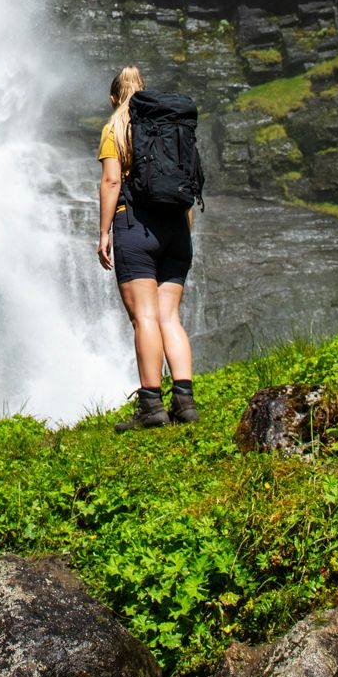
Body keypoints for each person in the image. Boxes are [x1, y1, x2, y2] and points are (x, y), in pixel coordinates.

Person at [96, 64, 197, 429]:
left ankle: (151, 406)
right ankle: (184, 403)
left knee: (145, 318)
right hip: (176, 230)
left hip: (135, 227)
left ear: (113, 98)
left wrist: (105, 232)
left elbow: (111, 181)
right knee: (170, 316)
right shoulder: (167, 128)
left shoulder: (116, 128)